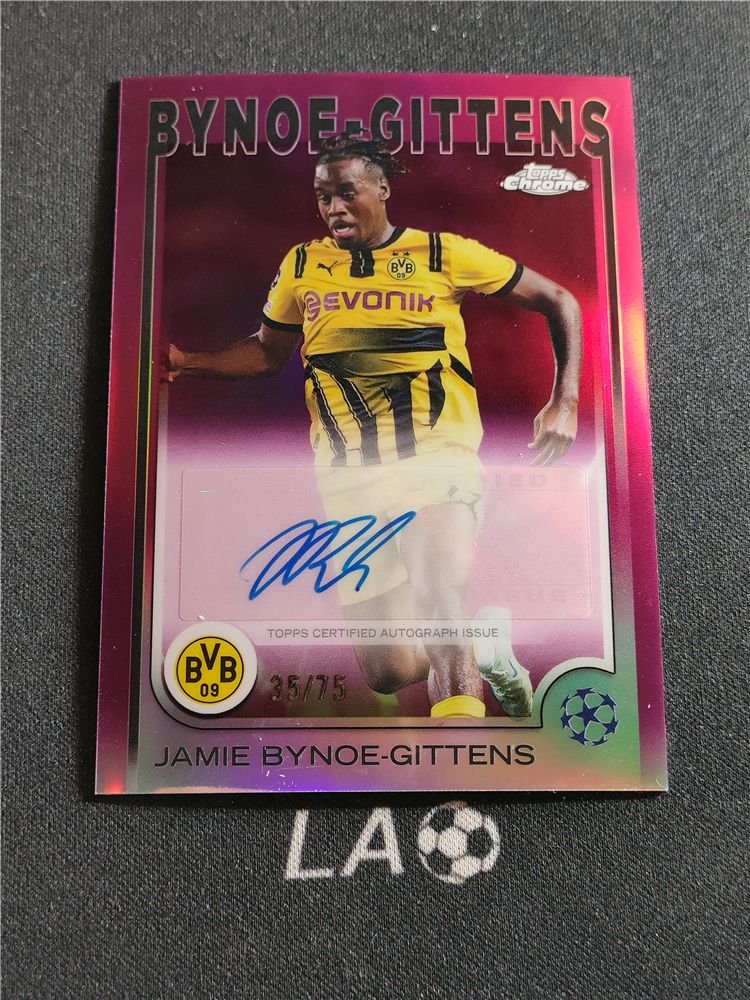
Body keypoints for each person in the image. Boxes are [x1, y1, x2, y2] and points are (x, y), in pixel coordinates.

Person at [165, 134, 582, 721]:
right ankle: (483, 641)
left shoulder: (441, 253)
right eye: (322, 197)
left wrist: (565, 399)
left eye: (346, 192)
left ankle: (460, 755)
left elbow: (560, 299)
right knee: (388, 669)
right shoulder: (303, 265)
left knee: (439, 598)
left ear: (382, 189)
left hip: (435, 458)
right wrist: (188, 363)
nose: (333, 208)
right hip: (348, 479)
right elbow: (267, 352)